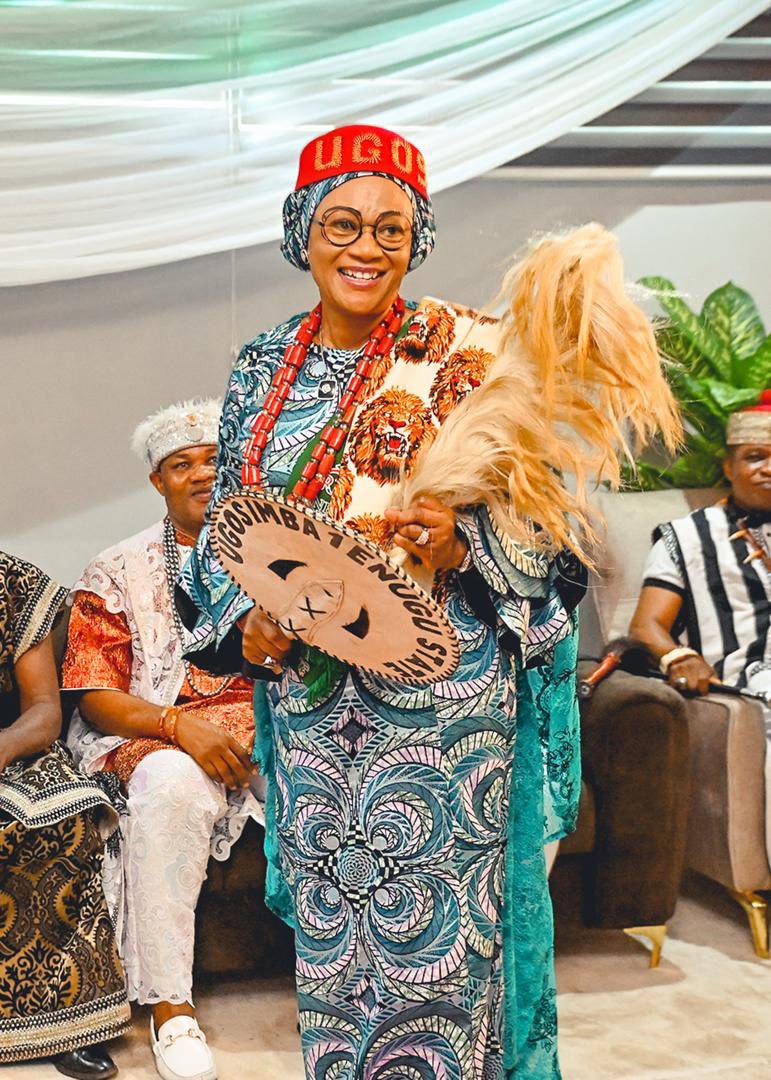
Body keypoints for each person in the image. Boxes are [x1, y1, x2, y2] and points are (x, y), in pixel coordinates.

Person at [178, 125, 679, 1079]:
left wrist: (467, 542)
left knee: (441, 944)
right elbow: (227, 528)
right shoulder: (259, 367)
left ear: (417, 240)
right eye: (340, 224)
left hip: (443, 704)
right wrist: (242, 624)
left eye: (389, 229)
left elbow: (557, 537)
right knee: (338, 945)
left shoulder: (472, 353)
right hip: (317, 706)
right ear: (300, 232)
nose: (364, 247)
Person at [61, 399, 264, 1080]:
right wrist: (180, 726)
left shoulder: (284, 556)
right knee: (168, 785)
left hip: (273, 732)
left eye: (214, 459)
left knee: (344, 774)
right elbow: (95, 695)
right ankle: (170, 1011)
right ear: (158, 481)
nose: (202, 474)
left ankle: (362, 991)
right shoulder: (116, 569)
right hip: (160, 733)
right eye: (182, 465)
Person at [0, 549, 130, 1079]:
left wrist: (3, 747)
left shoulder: (11, 582)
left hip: (12, 745)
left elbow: (44, 712)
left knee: (60, 821)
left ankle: (67, 1020)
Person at [630, 394, 771, 863]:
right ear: (728, 466)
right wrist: (678, 656)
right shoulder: (687, 535)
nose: (768, 468)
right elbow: (648, 624)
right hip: (749, 687)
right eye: (755, 456)